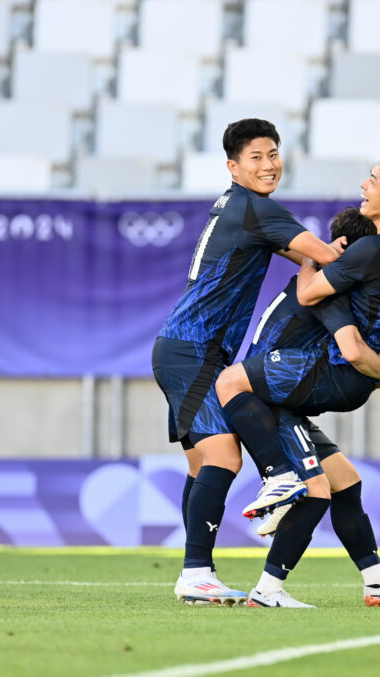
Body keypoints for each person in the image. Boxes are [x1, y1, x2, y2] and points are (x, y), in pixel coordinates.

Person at [216, 153, 380, 607]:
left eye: (373, 181)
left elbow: (314, 298)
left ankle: (275, 482)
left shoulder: (361, 261)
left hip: (322, 376)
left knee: (228, 383)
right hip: (326, 380)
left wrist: (370, 361)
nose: (364, 185)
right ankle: (372, 582)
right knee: (340, 483)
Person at [152, 118, 342, 605]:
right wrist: (359, 249)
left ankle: (198, 570)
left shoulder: (237, 206)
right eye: (255, 157)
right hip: (194, 351)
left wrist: (317, 258)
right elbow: (323, 259)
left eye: (273, 154)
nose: (269, 164)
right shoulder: (258, 208)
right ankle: (196, 572)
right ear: (233, 167)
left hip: (187, 349)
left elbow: (302, 259)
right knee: (223, 457)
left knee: (201, 463)